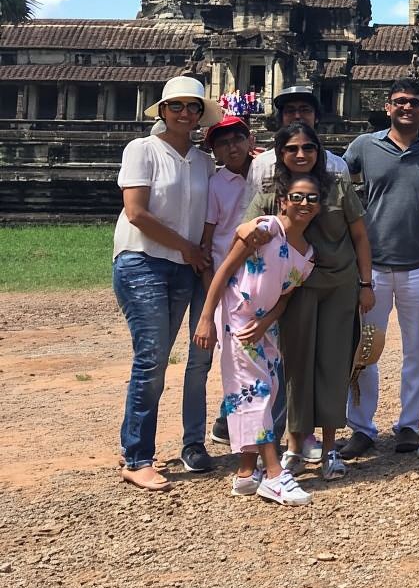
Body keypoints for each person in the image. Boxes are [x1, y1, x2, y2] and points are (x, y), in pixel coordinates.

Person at [240, 123, 374, 482]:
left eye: (309, 148)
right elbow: (246, 231)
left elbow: (360, 236)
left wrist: (365, 282)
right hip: (293, 289)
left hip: (339, 284)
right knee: (297, 368)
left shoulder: (337, 187)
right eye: (292, 149)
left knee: (333, 364)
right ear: (280, 153)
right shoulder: (272, 192)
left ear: (319, 152)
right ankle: (296, 448)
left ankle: (330, 448)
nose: (301, 155)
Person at [113, 76, 219, 491]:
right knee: (153, 359)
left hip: (182, 268)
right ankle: (137, 455)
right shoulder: (142, 149)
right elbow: (136, 212)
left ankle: (164, 446)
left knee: (189, 358)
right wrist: (189, 249)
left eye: (192, 108)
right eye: (175, 106)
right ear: (162, 111)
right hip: (141, 261)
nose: (184, 114)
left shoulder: (203, 161)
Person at [192, 173, 319, 506]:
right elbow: (224, 270)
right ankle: (275, 474)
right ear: (283, 202)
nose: (304, 203)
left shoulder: (308, 255)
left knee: (263, 390)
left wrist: (267, 323)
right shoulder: (265, 230)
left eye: (312, 198)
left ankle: (247, 473)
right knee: (256, 391)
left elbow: (286, 297)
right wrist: (207, 318)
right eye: (297, 197)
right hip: (237, 317)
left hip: (264, 325)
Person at [340, 79, 419, 458]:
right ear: (387, 107)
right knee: (366, 349)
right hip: (374, 265)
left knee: (417, 350)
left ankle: (407, 426)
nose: (407, 108)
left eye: (414, 103)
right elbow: (334, 178)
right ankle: (362, 427)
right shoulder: (364, 146)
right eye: (399, 102)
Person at [200, 114, 255, 448]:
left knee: (261, 348)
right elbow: (207, 238)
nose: (232, 148)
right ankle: (228, 419)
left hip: (266, 275)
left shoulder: (267, 172)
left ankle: (242, 419)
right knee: (233, 352)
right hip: (229, 279)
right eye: (223, 143)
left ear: (250, 142)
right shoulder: (215, 184)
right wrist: (212, 289)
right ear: (215, 153)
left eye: (237, 140)